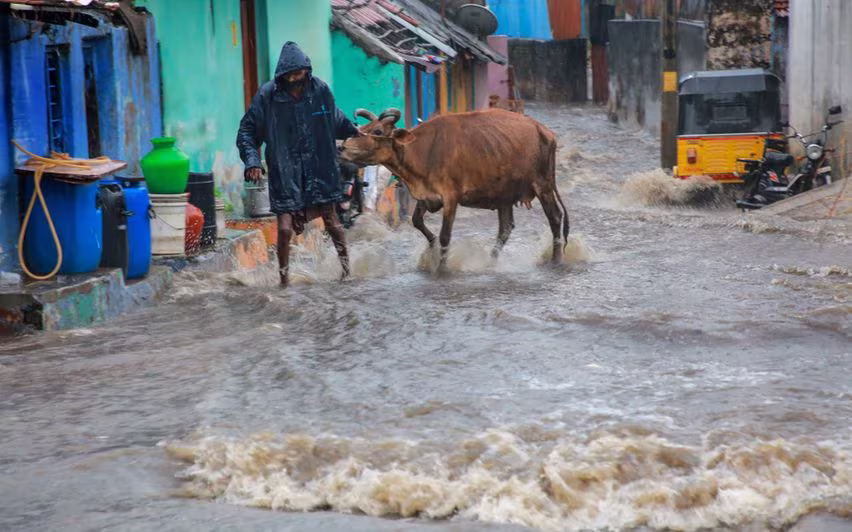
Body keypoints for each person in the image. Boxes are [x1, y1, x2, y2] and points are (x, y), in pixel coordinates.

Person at [237, 41, 359, 287]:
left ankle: (347, 273)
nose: (295, 79)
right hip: (285, 171)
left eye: (299, 73)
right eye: (290, 75)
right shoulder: (268, 96)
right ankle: (284, 280)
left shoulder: (320, 90)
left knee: (332, 221)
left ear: (306, 70)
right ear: (282, 74)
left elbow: (336, 118)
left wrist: (357, 133)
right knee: (284, 228)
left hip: (320, 168)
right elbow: (247, 132)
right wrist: (252, 161)